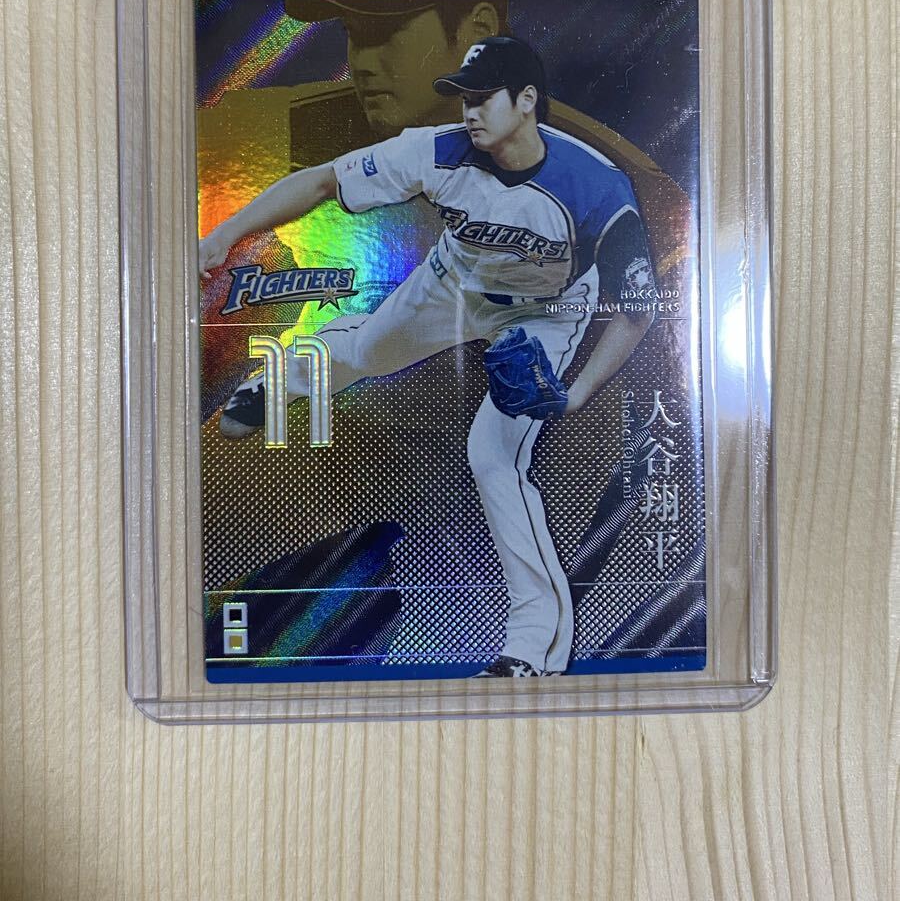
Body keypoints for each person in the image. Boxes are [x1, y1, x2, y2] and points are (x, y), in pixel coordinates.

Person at [199, 36, 656, 678]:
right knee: (365, 352)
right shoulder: (437, 150)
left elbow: (638, 310)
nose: (469, 110)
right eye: (464, 96)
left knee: (494, 453)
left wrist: (575, 395)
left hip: (544, 313)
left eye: (484, 96)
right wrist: (223, 235)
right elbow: (323, 180)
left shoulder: (598, 188)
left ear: (527, 100)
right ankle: (282, 379)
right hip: (453, 284)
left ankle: (532, 650)